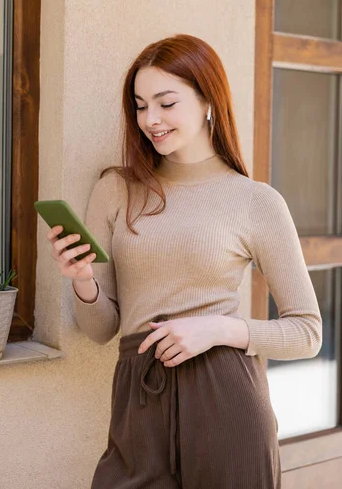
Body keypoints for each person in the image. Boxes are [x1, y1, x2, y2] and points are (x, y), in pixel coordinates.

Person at [47, 34, 322, 488]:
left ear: (208, 101)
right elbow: (100, 330)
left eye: (165, 103)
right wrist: (83, 283)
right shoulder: (117, 189)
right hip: (139, 400)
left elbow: (308, 332)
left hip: (226, 397)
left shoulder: (255, 202)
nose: (150, 120)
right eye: (140, 105)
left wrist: (218, 328)